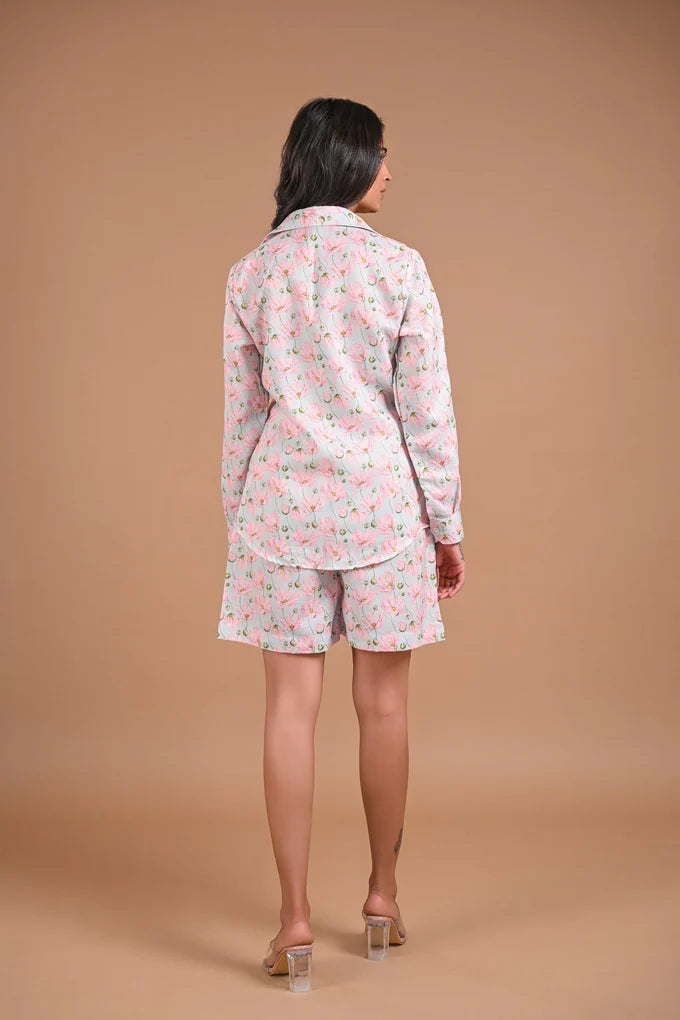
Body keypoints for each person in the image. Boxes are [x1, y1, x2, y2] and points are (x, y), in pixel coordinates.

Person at [216, 96, 466, 990]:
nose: (390, 171)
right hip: (384, 512)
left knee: (289, 712)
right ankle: (382, 899)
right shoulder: (398, 268)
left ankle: (292, 924)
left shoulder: (252, 274)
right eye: (380, 155)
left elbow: (243, 419)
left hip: (280, 510)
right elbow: (427, 415)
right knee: (385, 707)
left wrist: (239, 519)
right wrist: (446, 526)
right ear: (347, 162)